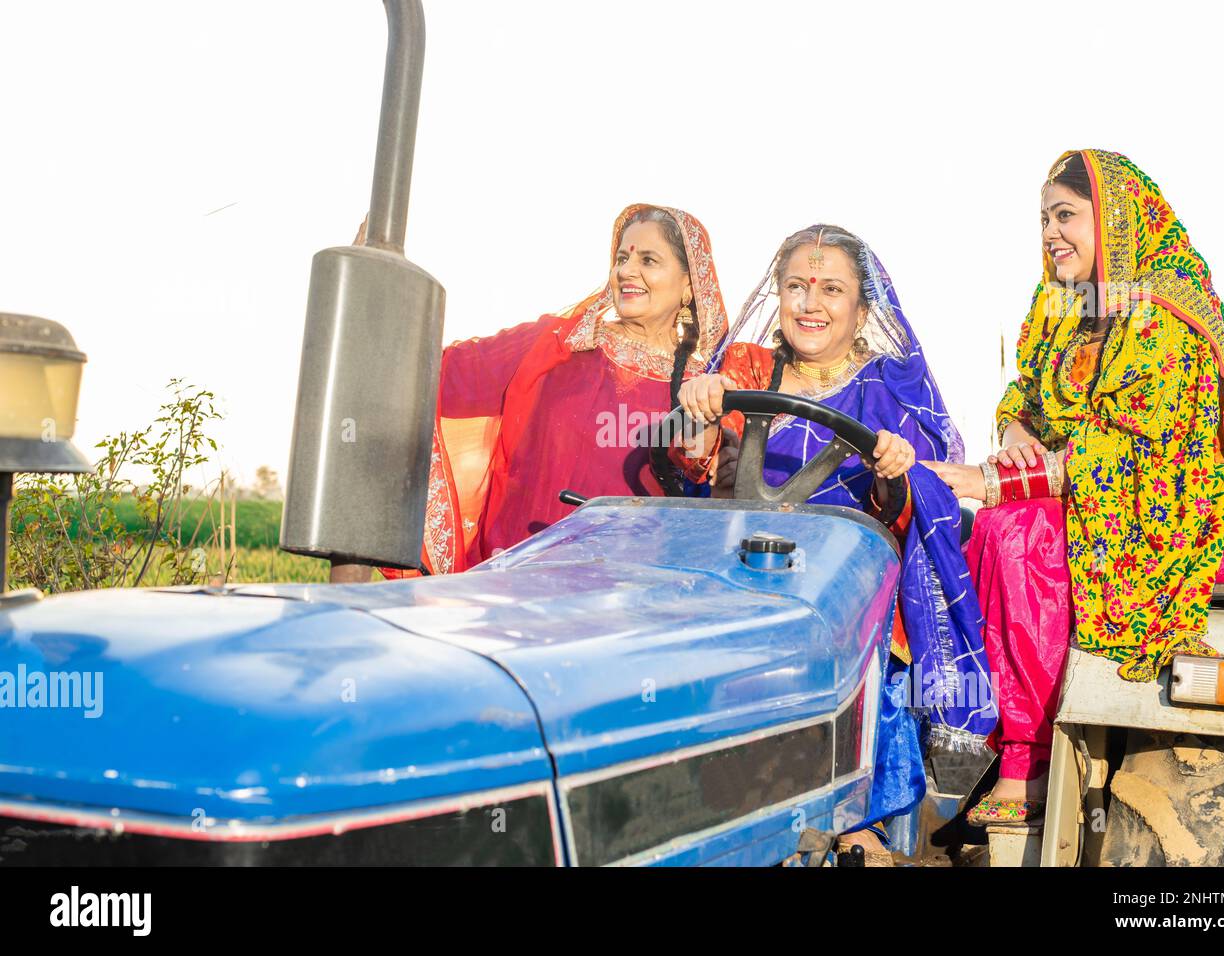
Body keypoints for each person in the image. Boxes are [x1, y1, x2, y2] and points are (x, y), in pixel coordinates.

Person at [922, 149, 1224, 826]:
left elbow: (1126, 451)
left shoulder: (1163, 312)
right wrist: (1016, 431)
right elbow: (1026, 391)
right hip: (1081, 494)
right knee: (948, 526)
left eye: (1066, 215)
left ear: (1114, 220)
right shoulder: (1062, 300)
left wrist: (994, 480)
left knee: (1013, 530)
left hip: (1164, 517)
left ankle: (1029, 758)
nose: (1051, 233)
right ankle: (960, 736)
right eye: (1043, 219)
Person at [674, 225, 996, 863]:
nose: (809, 303)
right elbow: (690, 461)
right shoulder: (739, 369)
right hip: (740, 578)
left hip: (848, 586)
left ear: (864, 310)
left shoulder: (888, 391)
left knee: (873, 637)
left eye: (830, 289)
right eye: (796, 286)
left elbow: (909, 510)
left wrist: (897, 475)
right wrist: (695, 410)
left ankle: (860, 829)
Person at [377, 204, 727, 576]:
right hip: (516, 579)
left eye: (649, 260)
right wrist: (373, 293)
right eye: (622, 257)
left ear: (689, 285)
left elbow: (702, 474)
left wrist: (705, 418)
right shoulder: (557, 345)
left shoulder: (701, 383)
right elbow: (439, 370)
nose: (626, 270)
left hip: (628, 593)